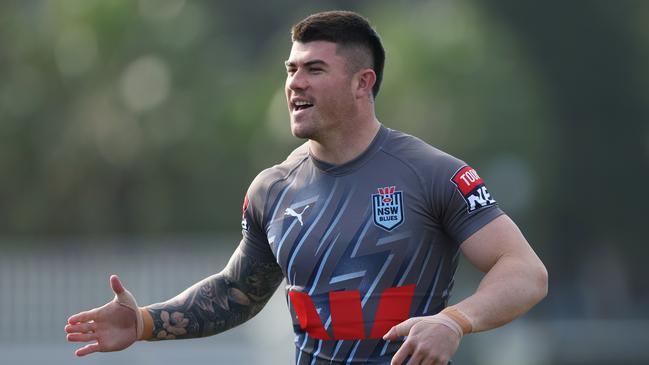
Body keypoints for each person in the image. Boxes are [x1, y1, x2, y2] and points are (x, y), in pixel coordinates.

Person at [65, 10, 548, 365]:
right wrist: (144, 323)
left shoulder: (433, 174)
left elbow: (525, 272)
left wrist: (453, 321)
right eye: (290, 70)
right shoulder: (272, 190)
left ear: (364, 83)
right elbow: (238, 292)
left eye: (314, 69)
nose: (295, 83)